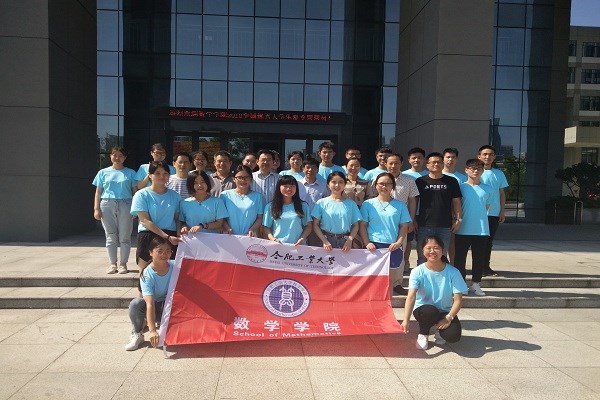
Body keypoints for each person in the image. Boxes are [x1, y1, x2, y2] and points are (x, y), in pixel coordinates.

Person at [401, 235, 468, 351]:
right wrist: (406, 320)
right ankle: (423, 334)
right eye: (428, 248)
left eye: (436, 248)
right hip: (424, 309)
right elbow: (411, 297)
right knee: (430, 311)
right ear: (423, 251)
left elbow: (458, 300)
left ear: (443, 250)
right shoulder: (417, 271)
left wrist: (448, 318)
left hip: (444, 311)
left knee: (453, 336)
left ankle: (439, 330)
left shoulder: (453, 272)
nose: (432, 251)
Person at [359, 173, 411, 298]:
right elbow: (363, 225)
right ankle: (372, 308)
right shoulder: (368, 204)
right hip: (373, 247)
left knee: (388, 281)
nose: (384, 186)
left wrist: (399, 242)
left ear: (393, 186)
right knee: (372, 281)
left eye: (388, 184)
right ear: (376, 185)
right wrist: (367, 243)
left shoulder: (400, 205)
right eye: (381, 183)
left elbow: (404, 226)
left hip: (392, 247)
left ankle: (388, 308)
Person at [130, 161, 181, 280]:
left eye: (165, 173)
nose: (162, 176)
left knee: (169, 275)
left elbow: (178, 218)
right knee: (146, 274)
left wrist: (178, 234)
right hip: (148, 235)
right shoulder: (141, 195)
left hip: (170, 237)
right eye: (157, 173)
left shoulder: (175, 196)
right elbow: (145, 220)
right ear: (150, 175)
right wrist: (166, 236)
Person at [92, 146, 137, 274]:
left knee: (125, 236)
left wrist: (135, 209)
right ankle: (112, 264)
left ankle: (123, 264)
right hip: (107, 203)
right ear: (110, 156)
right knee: (110, 236)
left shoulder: (131, 173)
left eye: (120, 155)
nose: (117, 158)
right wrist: (96, 208)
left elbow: (135, 192)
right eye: (114, 155)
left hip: (126, 203)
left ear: (125, 158)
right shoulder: (102, 172)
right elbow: (98, 192)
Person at [125, 236, 174, 351]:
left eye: (168, 251)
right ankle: (137, 333)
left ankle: (165, 326)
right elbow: (150, 303)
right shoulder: (147, 274)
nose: (164, 255)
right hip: (154, 307)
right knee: (136, 304)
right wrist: (152, 331)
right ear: (151, 253)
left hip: (169, 307)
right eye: (160, 251)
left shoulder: (175, 266)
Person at [414, 152, 462, 265]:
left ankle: (439, 277)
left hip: (444, 225)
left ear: (443, 163)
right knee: (423, 256)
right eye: (433, 162)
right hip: (424, 224)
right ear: (427, 165)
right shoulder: (420, 181)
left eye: (439, 162)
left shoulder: (452, 181)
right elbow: (414, 202)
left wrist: (458, 219)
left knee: (441, 256)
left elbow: (456, 202)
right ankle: (422, 276)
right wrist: (413, 219)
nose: (436, 164)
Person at [454, 159, 492, 296]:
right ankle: (461, 283)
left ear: (482, 170)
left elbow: (487, 206)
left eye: (479, 168)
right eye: (473, 168)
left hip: (481, 229)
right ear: (466, 170)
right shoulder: (461, 187)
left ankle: (476, 284)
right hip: (463, 228)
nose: (476, 171)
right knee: (460, 258)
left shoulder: (487, 188)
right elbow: (456, 206)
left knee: (479, 258)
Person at [384, 153, 418, 294]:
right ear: (385, 164)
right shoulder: (379, 179)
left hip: (402, 221)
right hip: (383, 221)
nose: (393, 166)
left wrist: (411, 220)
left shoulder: (409, 180)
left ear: (401, 164)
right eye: (390, 163)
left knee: (399, 250)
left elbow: (412, 200)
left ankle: (397, 283)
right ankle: (382, 282)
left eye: (396, 163)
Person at [478, 145, 509, 277]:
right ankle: (477, 267)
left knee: (488, 241)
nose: (487, 157)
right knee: (477, 241)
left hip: (493, 213)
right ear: (479, 156)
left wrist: (502, 211)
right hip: (477, 213)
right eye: (485, 154)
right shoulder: (475, 172)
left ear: (494, 157)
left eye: (490, 154)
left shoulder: (499, 174)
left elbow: (501, 193)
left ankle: (485, 267)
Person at [312, 172, 362, 251]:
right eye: (333, 182)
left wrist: (349, 240)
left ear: (344, 184)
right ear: (328, 184)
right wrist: (325, 241)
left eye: (340, 182)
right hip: (325, 241)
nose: (337, 185)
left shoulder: (351, 204)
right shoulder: (321, 203)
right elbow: (315, 225)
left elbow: (356, 225)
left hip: (345, 242)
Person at [263, 175, 312, 245]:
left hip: (298, 246)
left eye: (292, 186)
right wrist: (273, 239)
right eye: (285, 186)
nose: (289, 189)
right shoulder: (271, 206)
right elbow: (266, 227)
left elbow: (308, 226)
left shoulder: (303, 206)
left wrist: (302, 238)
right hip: (278, 246)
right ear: (279, 187)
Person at [221, 165, 265, 237]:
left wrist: (252, 229)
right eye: (239, 177)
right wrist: (227, 228)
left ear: (251, 179)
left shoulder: (258, 196)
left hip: (250, 237)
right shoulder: (225, 195)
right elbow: (221, 218)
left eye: (246, 177)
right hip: (229, 236)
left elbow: (260, 218)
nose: (243, 180)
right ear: (234, 179)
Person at [180, 171, 228, 235]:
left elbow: (219, 223)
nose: (200, 185)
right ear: (190, 185)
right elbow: (182, 222)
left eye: (202, 182)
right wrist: (184, 227)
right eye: (195, 183)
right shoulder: (184, 203)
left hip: (213, 239)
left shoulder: (218, 202)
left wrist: (202, 226)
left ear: (207, 183)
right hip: (191, 239)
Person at [442, 147, 467, 264]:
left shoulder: (463, 178)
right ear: (443, 158)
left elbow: (460, 199)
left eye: (453, 157)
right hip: (440, 215)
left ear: (457, 159)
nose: (450, 160)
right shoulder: (436, 175)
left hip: (455, 215)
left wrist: (458, 217)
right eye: (448, 157)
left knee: (452, 243)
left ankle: (452, 265)